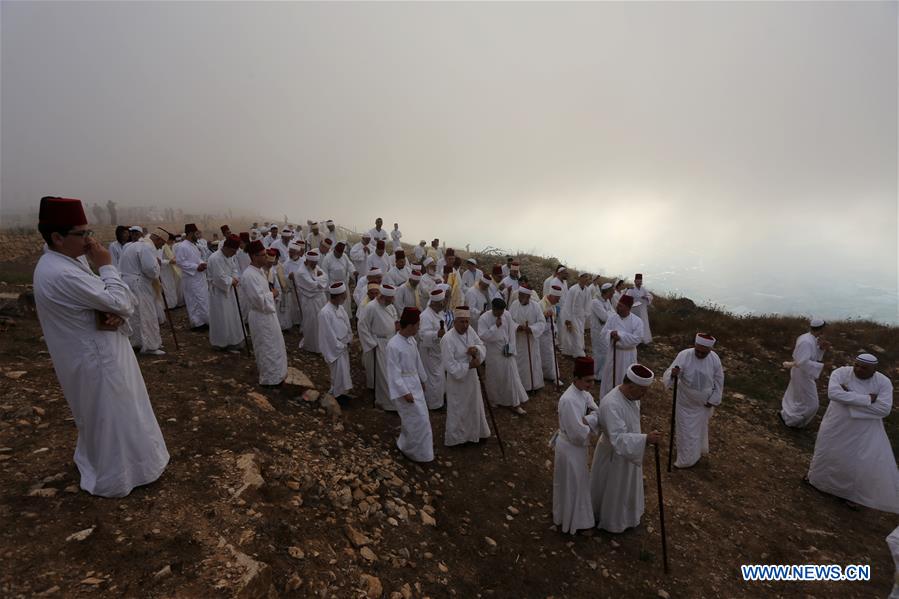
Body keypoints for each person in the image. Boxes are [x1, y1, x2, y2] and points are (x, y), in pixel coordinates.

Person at [33, 196, 168, 497]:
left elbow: (112, 303)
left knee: (116, 412)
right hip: (98, 358)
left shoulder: (66, 260)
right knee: (114, 415)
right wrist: (107, 267)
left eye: (88, 232)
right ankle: (120, 475)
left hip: (98, 349)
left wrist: (114, 309)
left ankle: (131, 463)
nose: (89, 240)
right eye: (82, 234)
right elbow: (122, 301)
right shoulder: (61, 272)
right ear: (57, 237)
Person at [807, 353, 898, 513]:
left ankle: (848, 495)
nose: (859, 369)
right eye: (857, 365)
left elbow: (883, 409)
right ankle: (818, 482)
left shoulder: (883, 382)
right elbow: (833, 394)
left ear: (874, 369)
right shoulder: (841, 373)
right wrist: (867, 399)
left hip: (862, 430)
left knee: (855, 461)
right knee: (827, 451)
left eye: (864, 368)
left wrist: (848, 398)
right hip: (836, 422)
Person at [590, 363, 662, 533]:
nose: (644, 395)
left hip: (630, 450)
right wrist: (645, 439)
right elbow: (618, 438)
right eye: (642, 391)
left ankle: (628, 516)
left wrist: (640, 440)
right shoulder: (611, 404)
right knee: (614, 488)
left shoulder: (632, 397)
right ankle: (612, 521)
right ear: (631, 386)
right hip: (613, 455)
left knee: (627, 486)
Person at [552, 357, 600, 534]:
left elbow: (597, 412)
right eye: (587, 381)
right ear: (576, 378)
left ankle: (578, 519)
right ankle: (573, 522)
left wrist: (587, 420)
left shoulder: (584, 394)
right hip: (570, 448)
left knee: (579, 482)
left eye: (592, 380)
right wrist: (590, 421)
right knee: (572, 484)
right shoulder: (569, 400)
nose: (591, 384)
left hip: (577, 448)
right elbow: (577, 433)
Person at [662, 333, 724, 468]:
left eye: (704, 353)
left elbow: (719, 380)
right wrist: (673, 374)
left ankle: (695, 455)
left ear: (710, 350)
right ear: (695, 346)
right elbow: (670, 373)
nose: (700, 354)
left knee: (698, 431)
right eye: (698, 351)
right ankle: (684, 460)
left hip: (703, 405)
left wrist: (713, 399)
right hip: (685, 403)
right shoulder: (684, 355)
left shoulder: (714, 359)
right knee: (685, 432)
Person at [387, 307, 433, 462]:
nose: (418, 328)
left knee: (422, 418)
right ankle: (412, 451)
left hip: (415, 384)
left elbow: (417, 361)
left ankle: (419, 451)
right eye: (417, 325)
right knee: (415, 420)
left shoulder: (411, 341)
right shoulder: (393, 345)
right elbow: (393, 372)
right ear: (411, 325)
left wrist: (422, 379)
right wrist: (404, 392)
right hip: (405, 387)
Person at [440, 306, 490, 446]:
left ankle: (476, 433)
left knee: (473, 405)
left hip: (472, 379)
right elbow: (449, 366)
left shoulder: (470, 331)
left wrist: (476, 349)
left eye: (467, 321)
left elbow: (481, 345)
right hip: (458, 381)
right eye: (462, 321)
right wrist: (468, 366)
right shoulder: (447, 339)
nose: (465, 325)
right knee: (459, 409)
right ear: (455, 322)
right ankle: (458, 439)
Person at [240, 240, 288, 386]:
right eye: (263, 255)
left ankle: (278, 374)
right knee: (266, 347)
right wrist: (273, 294)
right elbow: (258, 300)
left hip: (268, 315)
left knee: (274, 344)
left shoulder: (259, 271)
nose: (266, 258)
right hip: (260, 316)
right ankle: (269, 379)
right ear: (254, 257)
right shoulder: (249, 275)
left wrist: (272, 294)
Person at [118, 228, 166, 354]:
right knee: (146, 313)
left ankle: (138, 342)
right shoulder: (146, 247)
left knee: (136, 314)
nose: (162, 247)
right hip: (139, 285)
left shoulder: (132, 246)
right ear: (158, 239)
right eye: (162, 243)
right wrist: (157, 266)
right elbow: (150, 270)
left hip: (130, 283)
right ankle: (150, 346)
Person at [477, 298, 529, 414]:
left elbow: (511, 332)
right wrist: (495, 327)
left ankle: (515, 403)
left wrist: (511, 348)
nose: (501, 314)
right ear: (493, 309)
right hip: (493, 353)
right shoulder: (484, 318)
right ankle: (494, 400)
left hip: (507, 352)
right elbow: (483, 336)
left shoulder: (507, 315)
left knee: (511, 377)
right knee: (494, 378)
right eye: (498, 311)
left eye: (502, 311)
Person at [780, 318, 831, 428]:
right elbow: (802, 362)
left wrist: (821, 348)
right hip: (801, 374)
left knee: (799, 398)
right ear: (822, 329)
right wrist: (822, 366)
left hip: (803, 373)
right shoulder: (806, 341)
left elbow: (810, 356)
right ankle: (792, 421)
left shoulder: (809, 338)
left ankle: (789, 418)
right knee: (812, 403)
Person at [357, 283, 399, 410]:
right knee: (383, 374)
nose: (392, 301)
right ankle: (386, 402)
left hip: (390, 342)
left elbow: (395, 319)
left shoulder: (389, 306)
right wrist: (372, 343)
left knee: (390, 372)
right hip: (379, 344)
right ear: (384, 297)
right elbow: (362, 326)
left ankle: (390, 400)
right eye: (390, 299)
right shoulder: (371, 307)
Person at [597, 294, 644, 400]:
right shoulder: (612, 318)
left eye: (621, 306)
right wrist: (610, 334)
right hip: (614, 353)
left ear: (628, 308)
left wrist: (620, 336)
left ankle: (624, 401)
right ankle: (608, 400)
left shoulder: (637, 321)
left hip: (628, 355)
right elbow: (603, 332)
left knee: (625, 378)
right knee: (610, 378)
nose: (617, 307)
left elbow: (637, 338)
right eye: (618, 305)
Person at [207, 235, 245, 352]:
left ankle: (233, 340)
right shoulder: (215, 258)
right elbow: (219, 278)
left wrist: (235, 278)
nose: (234, 254)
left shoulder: (229, 256)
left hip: (230, 290)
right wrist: (231, 281)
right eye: (233, 251)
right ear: (227, 248)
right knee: (222, 317)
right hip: (219, 293)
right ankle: (221, 342)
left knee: (232, 316)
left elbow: (234, 269)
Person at [318, 282, 355, 401]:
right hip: (335, 348)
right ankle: (336, 396)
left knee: (344, 372)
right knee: (338, 373)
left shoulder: (340, 308)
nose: (345, 298)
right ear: (337, 296)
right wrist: (340, 346)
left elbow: (347, 325)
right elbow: (328, 335)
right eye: (343, 296)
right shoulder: (325, 313)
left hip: (343, 346)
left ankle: (343, 394)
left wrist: (349, 339)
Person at [508, 285, 545, 392]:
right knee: (519, 362)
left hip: (531, 341)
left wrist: (532, 329)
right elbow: (509, 321)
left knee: (532, 363)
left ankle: (533, 385)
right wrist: (517, 327)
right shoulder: (514, 305)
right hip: (519, 340)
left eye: (522, 295)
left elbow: (542, 322)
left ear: (528, 296)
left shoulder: (536, 306)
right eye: (519, 295)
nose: (519, 297)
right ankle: (520, 386)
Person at [175, 223, 210, 331]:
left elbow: (197, 259)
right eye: (196, 233)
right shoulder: (182, 246)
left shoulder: (193, 245)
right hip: (191, 278)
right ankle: (197, 324)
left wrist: (202, 264)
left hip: (199, 277)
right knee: (193, 300)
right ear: (190, 233)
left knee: (202, 299)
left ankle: (204, 320)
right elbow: (180, 262)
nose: (198, 236)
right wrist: (196, 267)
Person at [418, 288, 448, 410]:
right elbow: (422, 334)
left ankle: (440, 399)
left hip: (438, 351)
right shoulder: (425, 316)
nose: (444, 304)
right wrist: (436, 334)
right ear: (435, 303)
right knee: (433, 378)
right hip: (429, 352)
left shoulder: (439, 313)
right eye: (442, 302)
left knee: (440, 377)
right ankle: (433, 404)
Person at [295, 249, 328, 353]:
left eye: (316, 263)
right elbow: (312, 286)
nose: (315, 265)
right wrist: (318, 279)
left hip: (320, 299)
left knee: (322, 322)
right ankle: (312, 346)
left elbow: (326, 278)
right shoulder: (301, 272)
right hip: (310, 301)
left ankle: (323, 344)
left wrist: (317, 280)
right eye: (313, 263)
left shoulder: (315, 266)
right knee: (312, 323)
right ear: (308, 261)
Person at [321, 240, 356, 320]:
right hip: (333, 286)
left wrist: (353, 272)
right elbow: (324, 274)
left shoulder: (344, 256)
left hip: (344, 285)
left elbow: (350, 265)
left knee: (346, 304)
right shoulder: (327, 258)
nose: (339, 255)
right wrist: (328, 288)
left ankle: (345, 319)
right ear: (335, 251)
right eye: (338, 254)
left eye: (341, 254)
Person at [560, 272, 591, 358]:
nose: (586, 279)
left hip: (581, 316)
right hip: (572, 316)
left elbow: (588, 304)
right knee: (575, 335)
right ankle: (579, 355)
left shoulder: (587, 290)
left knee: (580, 334)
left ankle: (571, 352)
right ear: (580, 278)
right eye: (584, 277)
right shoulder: (573, 289)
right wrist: (568, 319)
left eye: (587, 277)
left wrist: (586, 314)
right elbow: (568, 304)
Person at [539, 284, 564, 385]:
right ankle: (549, 375)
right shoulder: (541, 305)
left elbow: (554, 321)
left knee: (551, 356)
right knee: (546, 356)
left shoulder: (552, 305)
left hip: (550, 335)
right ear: (552, 296)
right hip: (543, 336)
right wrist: (545, 317)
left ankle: (553, 375)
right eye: (557, 299)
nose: (558, 301)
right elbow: (539, 322)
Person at [589, 283, 614, 380]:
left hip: (606, 331)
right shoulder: (595, 302)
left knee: (605, 353)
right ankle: (595, 374)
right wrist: (608, 315)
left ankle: (601, 374)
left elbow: (613, 314)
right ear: (607, 292)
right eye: (612, 291)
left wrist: (608, 315)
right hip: (598, 332)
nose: (613, 293)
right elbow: (604, 317)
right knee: (598, 353)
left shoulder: (607, 301)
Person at [625, 274, 653, 344]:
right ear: (635, 281)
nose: (639, 282)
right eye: (638, 281)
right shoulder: (631, 290)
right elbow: (626, 299)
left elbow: (650, 296)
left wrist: (646, 297)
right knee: (635, 325)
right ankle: (635, 340)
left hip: (643, 311)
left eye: (640, 281)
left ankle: (644, 340)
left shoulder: (643, 289)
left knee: (643, 324)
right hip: (634, 311)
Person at [159, 231, 183, 308]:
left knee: (171, 287)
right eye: (171, 241)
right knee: (166, 287)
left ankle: (173, 304)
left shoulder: (167, 246)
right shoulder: (162, 247)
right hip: (163, 271)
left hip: (169, 270)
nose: (172, 243)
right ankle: (168, 306)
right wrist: (169, 261)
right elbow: (159, 260)